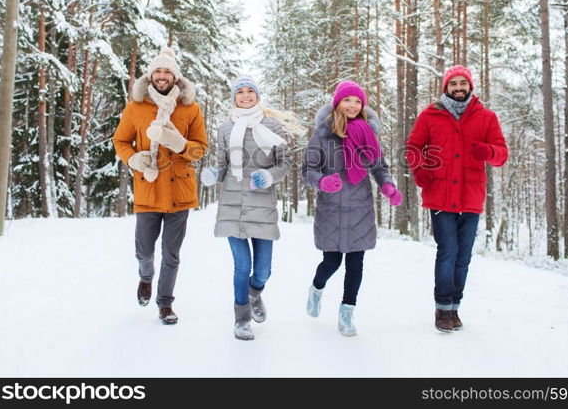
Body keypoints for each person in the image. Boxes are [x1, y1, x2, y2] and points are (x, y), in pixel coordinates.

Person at [406, 65, 508, 332]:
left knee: (463, 256)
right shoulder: (430, 115)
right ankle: (442, 308)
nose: (459, 87)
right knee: (447, 251)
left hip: (471, 196)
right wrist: (421, 172)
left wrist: (487, 150)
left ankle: (455, 307)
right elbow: (413, 147)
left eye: (463, 83)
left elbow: (501, 154)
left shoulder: (486, 117)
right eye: (454, 84)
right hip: (439, 194)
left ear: (470, 86)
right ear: (446, 88)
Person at [200, 75, 301, 340]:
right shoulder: (224, 128)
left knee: (263, 270)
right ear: (234, 98)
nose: (245, 96)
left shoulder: (272, 126)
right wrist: (213, 174)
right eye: (240, 92)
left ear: (257, 96)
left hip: (262, 204)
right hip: (232, 206)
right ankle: (241, 319)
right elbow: (222, 165)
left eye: (250, 91)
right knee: (242, 265)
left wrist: (269, 176)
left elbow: (284, 164)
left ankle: (255, 293)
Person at [113, 47, 207, 325]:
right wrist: (134, 159)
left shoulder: (190, 108)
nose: (162, 75)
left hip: (180, 192)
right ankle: (145, 277)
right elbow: (120, 141)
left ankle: (165, 304)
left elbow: (201, 149)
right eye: (158, 70)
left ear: (175, 77)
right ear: (150, 75)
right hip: (148, 188)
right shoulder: (136, 107)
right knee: (144, 250)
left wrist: (180, 145)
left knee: (171, 253)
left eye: (167, 71)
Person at [302, 80, 402, 337]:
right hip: (331, 210)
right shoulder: (322, 135)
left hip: (360, 209)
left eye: (358, 101)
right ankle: (316, 288)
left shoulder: (369, 134)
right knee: (331, 262)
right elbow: (308, 170)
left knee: (356, 265)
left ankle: (346, 313)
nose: (353, 105)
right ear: (337, 103)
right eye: (348, 100)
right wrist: (322, 181)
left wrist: (388, 187)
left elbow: (379, 167)